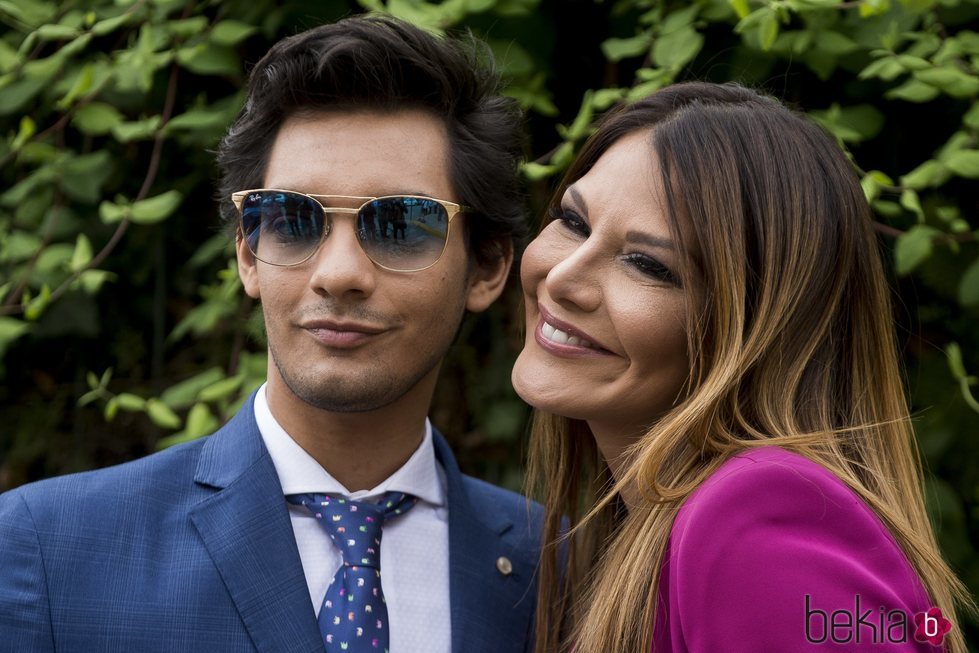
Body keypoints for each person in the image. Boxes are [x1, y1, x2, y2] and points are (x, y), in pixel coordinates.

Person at [0, 15, 542, 653]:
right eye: (292, 219)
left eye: (400, 223)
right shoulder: (43, 548)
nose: (338, 275)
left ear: (488, 267)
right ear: (248, 257)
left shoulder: (560, 566)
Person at [511, 81, 973, 652]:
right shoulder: (660, 532)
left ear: (756, 326)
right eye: (574, 223)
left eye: (647, 264)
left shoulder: (755, 518)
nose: (560, 279)